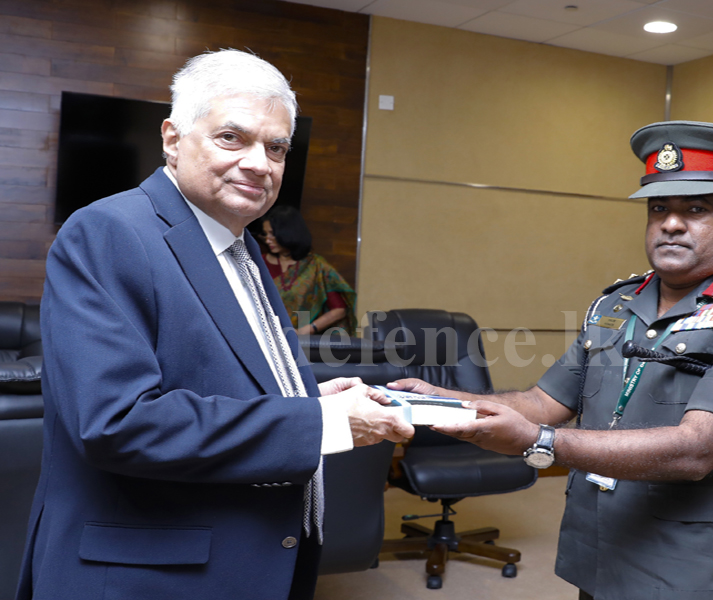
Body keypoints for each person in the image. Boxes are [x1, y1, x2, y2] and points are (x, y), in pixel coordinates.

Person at [16, 50, 414, 600]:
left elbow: (218, 377)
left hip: (241, 564)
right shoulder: (109, 231)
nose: (261, 163)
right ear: (173, 139)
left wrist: (310, 398)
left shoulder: (239, 244)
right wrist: (319, 424)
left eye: (277, 147)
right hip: (147, 577)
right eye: (234, 138)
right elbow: (118, 422)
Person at [391, 121, 713, 600]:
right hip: (607, 551)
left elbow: (697, 449)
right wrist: (450, 402)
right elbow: (544, 400)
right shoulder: (616, 303)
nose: (671, 223)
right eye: (659, 209)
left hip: (700, 567)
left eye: (696, 209)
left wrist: (540, 442)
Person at [261, 206, 357, 336]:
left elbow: (339, 309)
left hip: (300, 343)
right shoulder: (258, 263)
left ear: (288, 232)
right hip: (261, 337)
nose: (267, 240)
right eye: (266, 234)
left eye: (273, 234)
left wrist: (306, 330)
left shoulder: (316, 266)